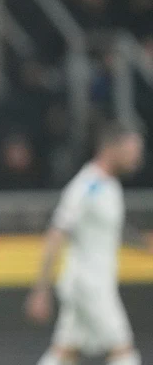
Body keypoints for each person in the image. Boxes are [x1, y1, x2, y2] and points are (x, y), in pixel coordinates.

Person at [25, 122, 146, 365]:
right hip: (89, 285)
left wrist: (142, 242)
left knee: (64, 353)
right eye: (132, 150)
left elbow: (108, 231)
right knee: (123, 350)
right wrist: (41, 288)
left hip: (88, 283)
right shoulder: (86, 186)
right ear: (111, 148)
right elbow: (57, 232)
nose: (137, 158)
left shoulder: (108, 184)